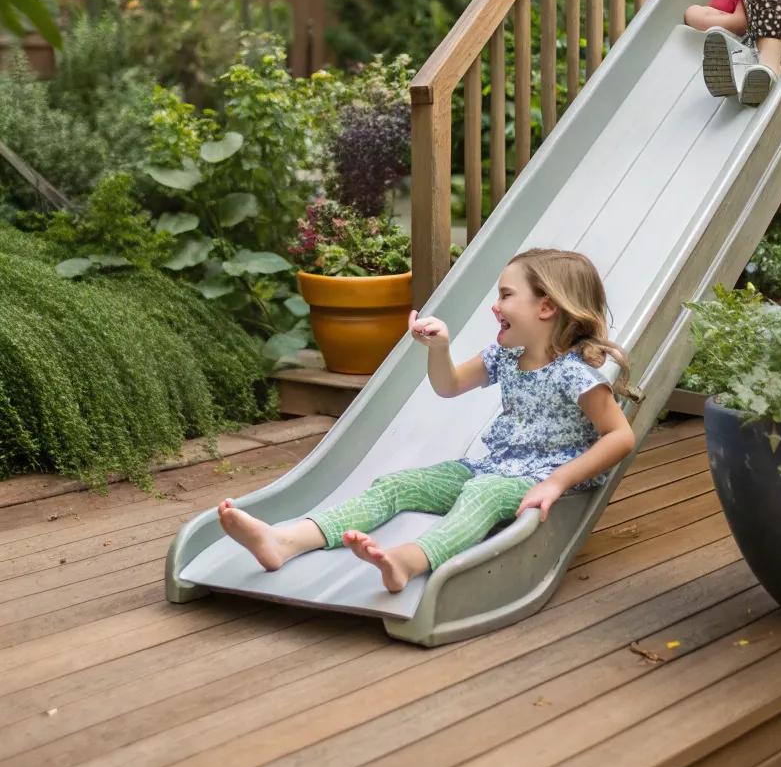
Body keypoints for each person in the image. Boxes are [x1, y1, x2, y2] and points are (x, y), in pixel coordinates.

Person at [218, 248, 636, 594]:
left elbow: (619, 436)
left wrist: (557, 481)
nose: (495, 305)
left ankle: (410, 560)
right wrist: (440, 348)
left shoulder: (574, 373)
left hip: (540, 477)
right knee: (399, 485)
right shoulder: (504, 357)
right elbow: (449, 385)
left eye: (506, 295)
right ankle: (284, 541)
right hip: (493, 467)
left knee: (483, 494)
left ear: (546, 306)